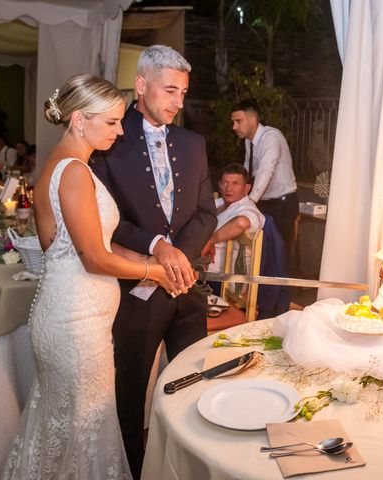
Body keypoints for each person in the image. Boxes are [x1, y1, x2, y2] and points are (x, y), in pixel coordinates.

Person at [1, 74, 176, 478]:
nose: (120, 129)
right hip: (75, 327)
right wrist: (154, 271)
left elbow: (82, 244)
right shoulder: (75, 172)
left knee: (66, 425)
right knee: (86, 427)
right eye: (112, 121)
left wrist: (147, 258)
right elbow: (94, 258)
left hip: (70, 316)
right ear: (79, 119)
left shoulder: (62, 166)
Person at [90, 45, 216, 478]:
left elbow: (206, 212)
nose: (178, 102)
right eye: (170, 90)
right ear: (141, 85)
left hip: (189, 290)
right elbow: (107, 219)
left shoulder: (193, 143)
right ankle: (132, 469)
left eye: (183, 92)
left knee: (194, 385)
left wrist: (179, 259)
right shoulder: (108, 138)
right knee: (129, 391)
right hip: (137, 292)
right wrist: (158, 246)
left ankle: (192, 465)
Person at [230, 98, 299, 254]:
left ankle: (282, 277)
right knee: (260, 251)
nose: (234, 127)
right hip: (265, 203)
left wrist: (250, 201)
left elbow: (265, 171)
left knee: (279, 252)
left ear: (252, 119)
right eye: (233, 122)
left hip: (282, 204)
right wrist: (237, 195)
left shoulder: (271, 137)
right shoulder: (249, 141)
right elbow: (247, 172)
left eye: (238, 121)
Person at [201, 163, 265, 292]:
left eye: (235, 183)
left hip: (221, 282)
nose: (228, 188)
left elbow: (242, 222)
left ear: (246, 189)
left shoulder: (247, 209)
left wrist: (210, 241)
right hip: (202, 272)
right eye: (225, 182)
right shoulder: (218, 203)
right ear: (219, 185)